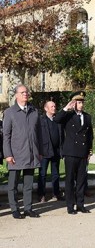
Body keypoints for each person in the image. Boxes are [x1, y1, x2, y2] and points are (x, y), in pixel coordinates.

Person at [3, 84, 42, 219]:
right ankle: (14, 209)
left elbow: (39, 134)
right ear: (17, 95)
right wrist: (8, 154)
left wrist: (40, 151)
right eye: (22, 92)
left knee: (28, 184)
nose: (26, 94)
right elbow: (6, 135)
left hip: (31, 154)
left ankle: (28, 208)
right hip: (15, 155)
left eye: (27, 92)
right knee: (13, 185)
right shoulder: (10, 112)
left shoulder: (34, 111)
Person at [54, 91, 93, 214]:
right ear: (73, 103)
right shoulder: (68, 115)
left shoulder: (87, 116)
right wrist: (66, 108)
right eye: (78, 102)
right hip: (71, 152)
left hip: (82, 153)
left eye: (82, 102)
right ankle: (70, 206)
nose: (81, 105)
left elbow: (89, 135)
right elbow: (56, 119)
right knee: (70, 180)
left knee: (81, 180)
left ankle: (80, 204)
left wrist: (89, 150)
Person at [37, 101, 64, 202]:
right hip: (44, 152)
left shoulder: (57, 120)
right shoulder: (41, 120)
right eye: (52, 106)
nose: (54, 108)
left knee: (56, 174)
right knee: (42, 174)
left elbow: (61, 135)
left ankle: (56, 193)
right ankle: (41, 194)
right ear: (46, 108)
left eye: (55, 106)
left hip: (56, 151)